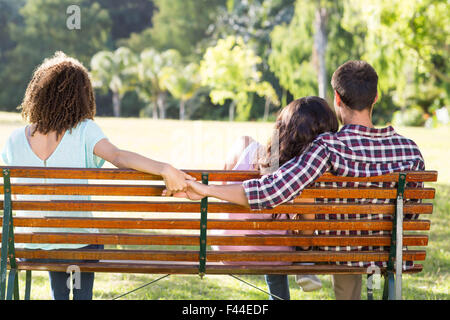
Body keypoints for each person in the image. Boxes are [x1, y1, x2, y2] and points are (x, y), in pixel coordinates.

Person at [172, 60, 425, 300]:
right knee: (355, 248)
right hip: (386, 253)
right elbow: (410, 215)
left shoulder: (327, 147)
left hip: (335, 250)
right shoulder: (410, 151)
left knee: (344, 243)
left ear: (337, 99)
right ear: (375, 98)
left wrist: (206, 189)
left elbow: (270, 191)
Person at [1, 52, 193, 300]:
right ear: (81, 97)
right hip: (78, 246)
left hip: (33, 247)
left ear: (39, 93)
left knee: (55, 251)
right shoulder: (84, 131)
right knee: (73, 245)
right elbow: (119, 157)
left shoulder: (15, 139)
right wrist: (165, 168)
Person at [216, 97, 338, 299]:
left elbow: (223, 184)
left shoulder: (245, 146)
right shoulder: (305, 179)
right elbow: (306, 242)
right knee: (277, 243)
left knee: (272, 238)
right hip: (276, 256)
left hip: (228, 246)